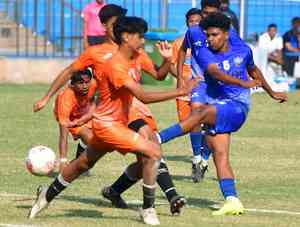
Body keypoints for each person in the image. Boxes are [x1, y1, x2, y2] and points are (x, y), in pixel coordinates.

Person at [29, 15, 199, 225]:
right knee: (153, 151)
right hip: (109, 125)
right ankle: (148, 210)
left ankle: (47, 194)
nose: (144, 41)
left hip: (113, 123)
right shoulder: (115, 65)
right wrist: (181, 90)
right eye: (140, 37)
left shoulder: (136, 57)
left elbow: (159, 76)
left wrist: (166, 60)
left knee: (82, 164)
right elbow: (143, 96)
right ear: (126, 37)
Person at [158, 12, 287, 216]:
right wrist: (244, 83)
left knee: (199, 113)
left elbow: (254, 71)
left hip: (237, 106)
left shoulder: (243, 50)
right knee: (220, 155)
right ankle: (232, 199)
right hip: (219, 103)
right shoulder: (204, 52)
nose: (209, 39)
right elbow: (216, 73)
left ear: (226, 34)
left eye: (214, 35)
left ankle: (157, 139)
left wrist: (272, 92)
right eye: (207, 35)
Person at [176, 0, 258, 183]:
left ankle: (204, 159)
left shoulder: (227, 33)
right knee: (196, 111)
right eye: (205, 12)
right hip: (200, 82)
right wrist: (180, 75)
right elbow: (183, 50)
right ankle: (197, 156)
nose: (207, 16)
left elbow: (241, 54)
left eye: (211, 13)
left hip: (220, 86)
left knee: (210, 124)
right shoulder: (194, 32)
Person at [170, 8, 205, 182]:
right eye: (192, 21)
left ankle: (199, 160)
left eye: (198, 21)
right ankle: (198, 157)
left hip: (203, 90)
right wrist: (180, 81)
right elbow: (172, 65)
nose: (195, 24)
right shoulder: (179, 43)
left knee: (205, 126)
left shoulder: (207, 42)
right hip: (184, 91)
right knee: (189, 125)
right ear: (187, 23)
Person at [54, 69, 97, 173]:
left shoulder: (93, 84)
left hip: (86, 112)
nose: (85, 86)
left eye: (87, 82)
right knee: (91, 140)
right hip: (71, 118)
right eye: (80, 83)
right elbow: (63, 135)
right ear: (72, 84)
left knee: (99, 143)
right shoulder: (65, 99)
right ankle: (74, 166)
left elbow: (94, 97)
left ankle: (78, 162)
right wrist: (63, 160)